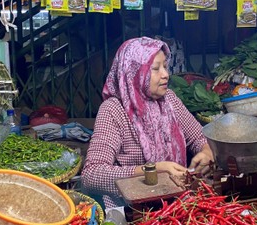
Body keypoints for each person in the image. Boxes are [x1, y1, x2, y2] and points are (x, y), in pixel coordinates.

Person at [81, 36, 214, 209]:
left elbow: (199, 137)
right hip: (131, 209)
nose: (166, 74)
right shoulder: (113, 110)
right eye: (155, 69)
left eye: (165, 67)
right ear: (134, 72)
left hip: (176, 205)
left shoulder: (169, 100)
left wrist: (206, 152)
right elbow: (92, 174)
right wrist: (151, 171)